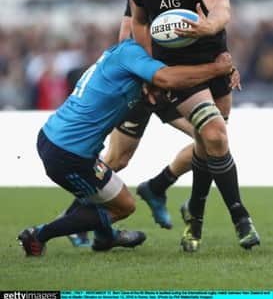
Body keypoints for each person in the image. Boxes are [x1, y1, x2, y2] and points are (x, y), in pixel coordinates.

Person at [124, 0, 260, 252]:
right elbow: (137, 23)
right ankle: (240, 216)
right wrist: (147, 71)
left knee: (210, 144)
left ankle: (192, 216)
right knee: (213, 133)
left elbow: (221, 10)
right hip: (177, 74)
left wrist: (208, 27)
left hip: (215, 65)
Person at [17, 38, 232, 256]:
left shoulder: (122, 55)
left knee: (109, 191)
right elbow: (167, 78)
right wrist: (217, 69)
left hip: (57, 138)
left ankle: (105, 237)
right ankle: (39, 235)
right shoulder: (132, 55)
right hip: (68, 153)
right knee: (124, 205)